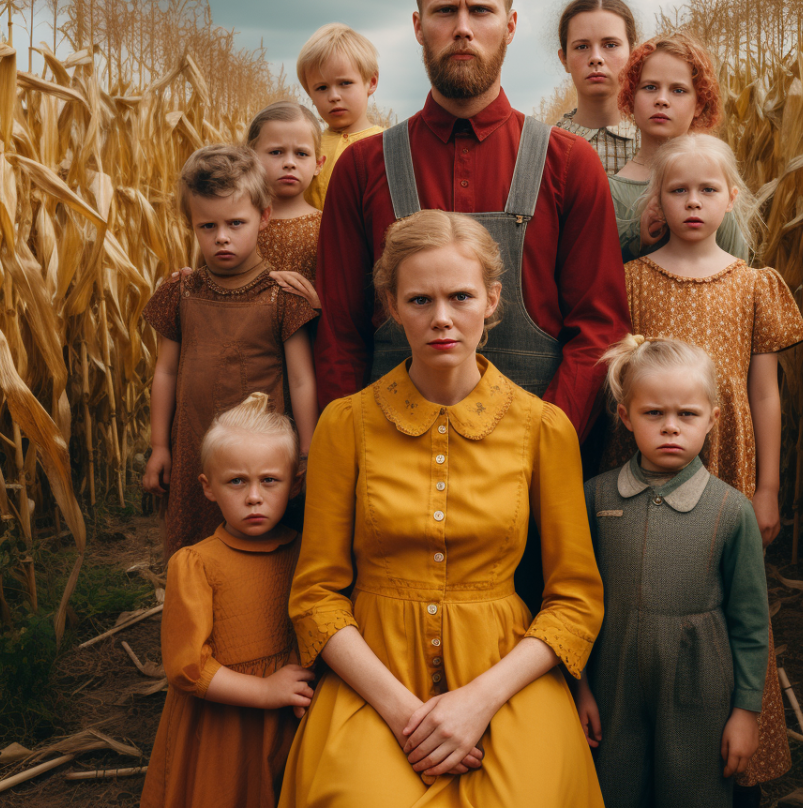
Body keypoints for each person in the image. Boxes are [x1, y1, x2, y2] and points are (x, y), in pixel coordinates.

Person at [277, 211, 605, 808]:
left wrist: (476, 702)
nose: (442, 319)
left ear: (493, 299)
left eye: (460, 296)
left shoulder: (543, 428)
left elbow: (575, 602)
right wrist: (407, 715)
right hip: (374, 673)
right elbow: (316, 596)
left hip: (505, 673)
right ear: (392, 306)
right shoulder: (345, 425)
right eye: (420, 299)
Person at [313, 0, 630, 442]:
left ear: (509, 25)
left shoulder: (571, 164)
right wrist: (351, 449)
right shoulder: (361, 167)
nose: (462, 28)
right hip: (390, 460)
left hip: (534, 461)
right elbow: (338, 338)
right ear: (418, 27)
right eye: (444, 11)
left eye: (480, 10)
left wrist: (544, 446)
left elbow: (598, 332)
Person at [622, 134, 803, 803]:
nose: (694, 202)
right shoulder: (632, 282)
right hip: (648, 467)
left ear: (731, 198)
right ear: (659, 201)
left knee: (729, 598)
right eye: (678, 190)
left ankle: (740, 743)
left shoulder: (756, 285)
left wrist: (766, 488)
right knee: (654, 595)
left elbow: (765, 393)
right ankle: (648, 745)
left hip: (728, 463)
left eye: (708, 190)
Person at [579, 335, 769, 808]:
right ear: (625, 417)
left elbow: (751, 623)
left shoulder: (731, 511)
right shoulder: (596, 498)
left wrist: (745, 712)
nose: (670, 427)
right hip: (612, 682)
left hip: (699, 688)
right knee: (613, 788)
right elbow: (573, 602)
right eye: (653, 414)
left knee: (694, 790)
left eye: (686, 414)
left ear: (712, 420)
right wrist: (579, 687)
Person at [141, 145, 318, 557]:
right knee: (195, 552)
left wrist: (308, 451)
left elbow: (301, 378)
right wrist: (160, 446)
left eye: (236, 223)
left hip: (264, 456)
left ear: (264, 217)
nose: (222, 237)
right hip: (194, 445)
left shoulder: (281, 297)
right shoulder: (181, 292)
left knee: (266, 552)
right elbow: (166, 372)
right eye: (207, 226)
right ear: (191, 225)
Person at [140, 393, 315, 808]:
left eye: (269, 480)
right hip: (222, 723)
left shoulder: (306, 553)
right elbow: (186, 668)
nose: (254, 496)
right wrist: (265, 691)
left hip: (288, 715)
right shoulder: (196, 563)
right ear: (209, 488)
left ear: (295, 483)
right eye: (236, 481)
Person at [614, 32, 749, 263]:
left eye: (678, 90)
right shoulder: (609, 193)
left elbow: (737, 276)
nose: (662, 99)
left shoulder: (715, 185)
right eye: (649, 87)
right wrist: (639, 241)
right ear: (631, 97)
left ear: (699, 104)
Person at [247, 100, 325, 310]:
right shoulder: (236, 224)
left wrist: (319, 304)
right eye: (276, 152)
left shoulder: (326, 227)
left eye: (301, 153)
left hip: (309, 337)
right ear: (250, 157)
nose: (289, 163)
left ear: (318, 164)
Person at [297, 22, 383, 210]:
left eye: (345, 83)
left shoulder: (388, 145)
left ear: (371, 82)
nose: (333, 96)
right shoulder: (306, 149)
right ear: (309, 93)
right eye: (321, 88)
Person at [555, 0, 638, 179]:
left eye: (610, 45)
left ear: (633, 55)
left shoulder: (659, 143)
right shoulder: (546, 146)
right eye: (582, 47)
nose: (596, 58)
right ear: (564, 59)